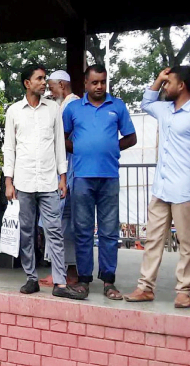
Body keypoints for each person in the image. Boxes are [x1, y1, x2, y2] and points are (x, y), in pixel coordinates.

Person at [2, 64, 85, 299]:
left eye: (44, 78)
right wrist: (9, 181)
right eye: (39, 79)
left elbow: (60, 144)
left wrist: (62, 177)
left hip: (49, 181)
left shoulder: (53, 110)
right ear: (27, 84)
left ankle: (59, 283)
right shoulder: (14, 111)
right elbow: (9, 148)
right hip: (24, 181)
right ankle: (31, 278)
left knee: (54, 230)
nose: (43, 82)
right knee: (27, 232)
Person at [63, 64, 137, 299]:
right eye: (94, 82)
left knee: (108, 232)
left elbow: (131, 137)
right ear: (85, 83)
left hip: (109, 178)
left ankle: (108, 281)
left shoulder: (117, 106)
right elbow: (61, 138)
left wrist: (112, 148)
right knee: (82, 230)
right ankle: (84, 280)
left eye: (103, 82)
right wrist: (80, 150)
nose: (99, 86)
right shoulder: (73, 108)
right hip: (82, 178)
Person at [124, 67, 190, 307]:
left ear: (182, 85)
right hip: (160, 188)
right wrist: (159, 78)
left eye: (168, 82)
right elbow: (145, 102)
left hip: (185, 189)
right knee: (152, 240)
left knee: (186, 243)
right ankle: (145, 287)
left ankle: (185, 290)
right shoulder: (164, 109)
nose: (164, 87)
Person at [39, 70, 81, 286]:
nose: (49, 90)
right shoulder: (67, 105)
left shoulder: (70, 106)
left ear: (62, 86)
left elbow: (59, 139)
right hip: (64, 170)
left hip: (67, 171)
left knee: (64, 222)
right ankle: (62, 271)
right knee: (58, 222)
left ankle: (69, 271)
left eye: (52, 86)